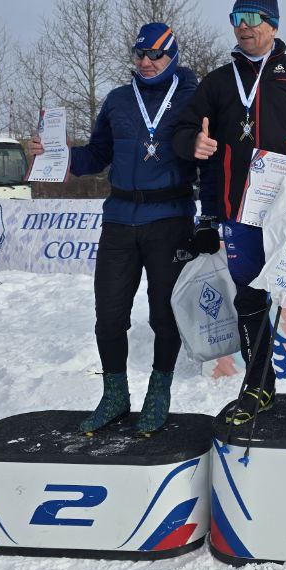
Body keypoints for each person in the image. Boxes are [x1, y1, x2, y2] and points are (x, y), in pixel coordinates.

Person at [172, 0, 286, 436]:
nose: (244, 27)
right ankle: (258, 385)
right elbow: (184, 131)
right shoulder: (215, 83)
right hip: (240, 213)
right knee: (250, 299)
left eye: (253, 19)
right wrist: (195, 143)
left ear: (272, 24)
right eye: (236, 19)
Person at [28, 23, 198, 436]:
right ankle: (115, 394)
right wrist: (63, 156)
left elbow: (209, 157)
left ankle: (159, 392)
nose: (145, 62)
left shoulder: (193, 98)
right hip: (120, 218)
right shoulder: (119, 100)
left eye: (155, 55)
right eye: (139, 54)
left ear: (172, 55)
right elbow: (97, 154)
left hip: (170, 218)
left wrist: (211, 215)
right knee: (109, 314)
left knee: (164, 315)